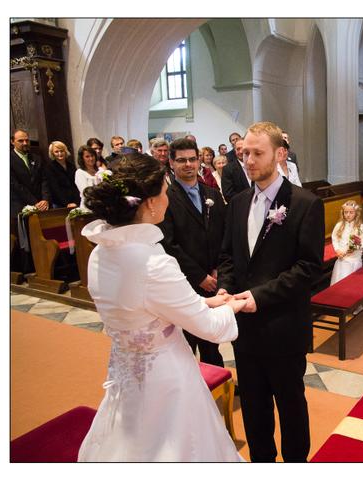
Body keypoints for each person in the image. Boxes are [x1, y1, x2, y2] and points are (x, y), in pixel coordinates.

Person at [77, 152, 245, 462]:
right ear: (151, 203)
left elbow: (143, 305)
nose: (168, 199)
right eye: (165, 192)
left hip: (127, 372)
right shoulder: (153, 262)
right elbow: (208, 327)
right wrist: (231, 306)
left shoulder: (101, 253)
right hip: (165, 378)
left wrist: (206, 301)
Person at [218, 121, 324, 462]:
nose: (249, 160)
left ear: (280, 154)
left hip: (283, 326)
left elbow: (308, 267)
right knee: (253, 406)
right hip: (245, 329)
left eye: (257, 153)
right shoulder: (237, 203)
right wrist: (225, 288)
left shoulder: (305, 203)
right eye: (245, 153)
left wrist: (259, 297)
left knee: (291, 406)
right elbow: (228, 255)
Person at [157, 138, 229, 368]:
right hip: (185, 282)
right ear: (171, 163)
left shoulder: (213, 194)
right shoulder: (166, 198)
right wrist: (199, 276)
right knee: (186, 343)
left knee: (212, 341)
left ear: (199, 161)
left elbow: (225, 233)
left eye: (192, 159)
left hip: (214, 277)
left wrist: (218, 269)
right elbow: (168, 244)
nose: (188, 164)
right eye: (181, 160)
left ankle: (216, 379)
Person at [10, 129, 50, 217]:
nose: (25, 143)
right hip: (20, 207)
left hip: (42, 206)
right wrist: (35, 202)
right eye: (20, 141)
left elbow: (44, 180)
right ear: (12, 142)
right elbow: (15, 185)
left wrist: (45, 199)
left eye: (27, 140)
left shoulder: (37, 158)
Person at [330, 200, 363, 285]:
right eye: (346, 212)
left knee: (353, 283)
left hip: (354, 258)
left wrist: (354, 247)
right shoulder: (339, 225)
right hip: (343, 258)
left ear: (356, 213)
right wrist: (337, 250)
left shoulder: (360, 227)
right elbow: (334, 238)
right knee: (342, 281)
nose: (348, 215)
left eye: (351, 212)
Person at [45, 141, 79, 208]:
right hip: (59, 204)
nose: (60, 153)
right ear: (52, 153)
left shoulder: (71, 166)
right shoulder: (49, 167)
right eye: (56, 152)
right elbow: (55, 188)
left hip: (74, 202)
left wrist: (76, 201)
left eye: (61, 151)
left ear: (65, 151)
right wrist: (66, 203)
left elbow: (76, 185)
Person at [220, 138, 250, 203]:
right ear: (235, 151)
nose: (241, 151)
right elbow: (228, 194)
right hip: (242, 206)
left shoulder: (257, 164)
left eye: (243, 148)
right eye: (238, 149)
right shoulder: (228, 169)